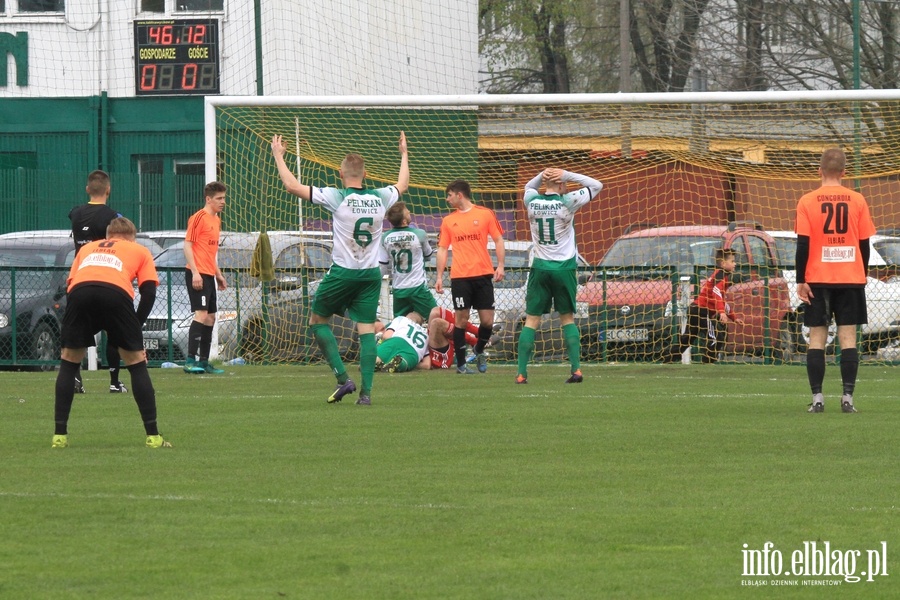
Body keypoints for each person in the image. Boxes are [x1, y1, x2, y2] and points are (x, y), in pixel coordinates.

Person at [272, 131, 409, 405]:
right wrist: (404, 153)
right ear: (366, 173)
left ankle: (343, 378)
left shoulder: (337, 196)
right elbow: (402, 184)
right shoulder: (381, 197)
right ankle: (367, 395)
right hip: (371, 275)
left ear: (340, 172)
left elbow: (292, 186)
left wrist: (278, 155)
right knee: (367, 329)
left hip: (343, 272)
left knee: (317, 321)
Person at [51, 217, 171, 449]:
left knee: (69, 362)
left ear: (108, 236)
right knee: (137, 364)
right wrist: (134, 326)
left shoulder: (86, 248)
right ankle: (153, 436)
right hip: (115, 294)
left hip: (80, 294)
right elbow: (148, 293)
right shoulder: (139, 250)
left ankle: (59, 436)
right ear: (131, 237)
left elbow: (71, 286)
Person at [796, 147, 876, 414]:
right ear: (844, 172)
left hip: (818, 278)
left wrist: (801, 280)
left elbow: (802, 245)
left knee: (817, 337)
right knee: (848, 337)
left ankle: (818, 398)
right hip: (849, 278)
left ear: (819, 171)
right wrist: (861, 272)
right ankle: (847, 398)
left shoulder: (807, 201)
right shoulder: (858, 200)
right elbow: (864, 244)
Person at [515, 167, 603, 384]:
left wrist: (543, 174)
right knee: (567, 319)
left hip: (541, 268)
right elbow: (596, 185)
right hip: (564, 269)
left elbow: (528, 187)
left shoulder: (532, 201)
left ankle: (521, 373)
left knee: (532, 320)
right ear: (562, 185)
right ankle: (576, 370)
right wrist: (567, 174)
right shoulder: (568, 201)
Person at [434, 180, 505, 374]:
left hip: (483, 275)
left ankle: (479, 349)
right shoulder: (449, 221)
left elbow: (498, 239)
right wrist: (439, 276)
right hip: (460, 277)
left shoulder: (485, 214)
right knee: (461, 320)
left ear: (459, 195)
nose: (447, 199)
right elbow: (442, 249)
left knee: (487, 322)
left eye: (449, 195)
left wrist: (500, 265)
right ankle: (462, 365)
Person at [67, 169, 128, 394]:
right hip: (105, 279)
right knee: (112, 330)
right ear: (108, 190)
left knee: (77, 331)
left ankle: (75, 379)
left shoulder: (75, 213)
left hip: (78, 279)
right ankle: (114, 381)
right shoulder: (113, 217)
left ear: (87, 189)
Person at [666, 248, 745, 364]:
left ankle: (667, 360)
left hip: (695, 310)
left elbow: (721, 299)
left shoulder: (722, 276)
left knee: (687, 339)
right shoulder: (720, 274)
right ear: (723, 263)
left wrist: (733, 317)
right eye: (732, 261)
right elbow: (716, 291)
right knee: (717, 336)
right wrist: (722, 312)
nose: (735, 264)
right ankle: (707, 363)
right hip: (701, 311)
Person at [182, 181, 228, 375]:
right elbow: (187, 245)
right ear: (208, 199)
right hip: (197, 274)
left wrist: (218, 275)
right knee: (200, 314)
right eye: (219, 198)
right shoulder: (198, 218)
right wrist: (195, 272)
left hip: (209, 274)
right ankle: (190, 360)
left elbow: (209, 252)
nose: (223, 202)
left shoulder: (216, 220)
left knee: (210, 317)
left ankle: (204, 362)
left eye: (224, 198)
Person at [379, 201, 437, 318]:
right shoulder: (419, 234)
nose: (409, 212)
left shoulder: (385, 237)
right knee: (436, 317)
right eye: (407, 212)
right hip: (417, 287)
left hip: (398, 288)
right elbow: (428, 256)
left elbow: (383, 264)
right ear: (404, 221)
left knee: (401, 323)